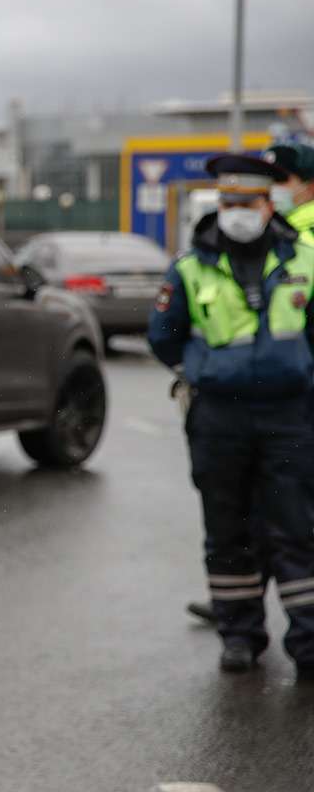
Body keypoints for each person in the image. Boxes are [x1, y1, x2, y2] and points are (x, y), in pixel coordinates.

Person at [149, 153, 314, 677]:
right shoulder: (190, 266)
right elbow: (163, 336)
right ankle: (239, 635)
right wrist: (201, 370)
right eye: (228, 202)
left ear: (270, 205)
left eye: (247, 202)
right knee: (228, 526)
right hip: (220, 417)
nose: (236, 211)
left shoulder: (304, 260)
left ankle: (309, 642)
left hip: (290, 414)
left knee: (297, 527)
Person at [267, 142, 314, 246]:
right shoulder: (277, 228)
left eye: (279, 180)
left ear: (311, 186)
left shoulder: (297, 233)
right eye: (267, 180)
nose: (271, 187)